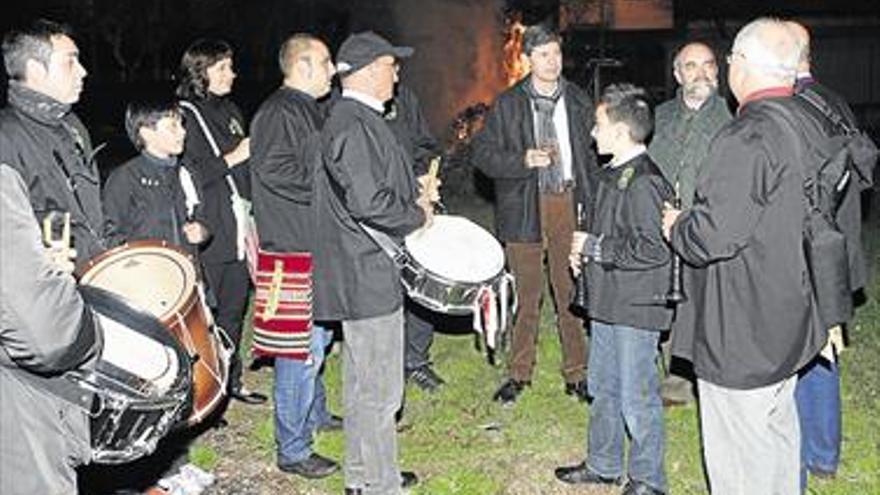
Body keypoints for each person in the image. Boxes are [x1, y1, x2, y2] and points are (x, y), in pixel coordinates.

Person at [662, 17, 826, 495]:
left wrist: (678, 226)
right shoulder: (804, 119)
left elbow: (713, 236)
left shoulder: (745, 136)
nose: (726, 66)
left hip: (744, 327)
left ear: (746, 66)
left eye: (729, 57)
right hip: (789, 312)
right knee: (777, 431)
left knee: (740, 452)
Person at [312, 31, 433, 495]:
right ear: (364, 72)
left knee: (365, 385)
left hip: (364, 270)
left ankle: (362, 476)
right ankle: (381, 484)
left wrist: (413, 194)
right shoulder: (352, 123)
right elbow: (368, 202)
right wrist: (417, 214)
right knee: (381, 391)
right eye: (390, 65)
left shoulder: (357, 118)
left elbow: (372, 190)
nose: (397, 73)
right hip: (366, 273)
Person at [0, 19, 103, 495]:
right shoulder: (7, 138)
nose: (83, 71)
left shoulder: (71, 127)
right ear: (35, 70)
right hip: (34, 315)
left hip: (78, 293)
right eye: (70, 60)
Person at [555, 84, 673, 495]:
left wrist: (595, 247)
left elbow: (654, 251)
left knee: (636, 396)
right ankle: (604, 464)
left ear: (621, 132)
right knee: (603, 386)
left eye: (599, 124)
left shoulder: (644, 182)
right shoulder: (612, 175)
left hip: (636, 306)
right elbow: (607, 234)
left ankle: (648, 480)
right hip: (608, 300)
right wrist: (584, 256)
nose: (592, 132)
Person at [472, 25, 597, 405]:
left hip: (567, 201)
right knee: (527, 297)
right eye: (544, 55)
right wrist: (522, 160)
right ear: (527, 59)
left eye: (556, 53)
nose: (552, 61)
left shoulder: (577, 99)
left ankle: (578, 373)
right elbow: (483, 156)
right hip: (525, 204)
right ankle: (519, 373)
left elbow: (594, 154)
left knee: (570, 293)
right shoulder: (508, 104)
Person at [786, 19, 875, 488]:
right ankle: (823, 452)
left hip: (812, 250)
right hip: (837, 248)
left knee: (808, 348)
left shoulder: (794, 107)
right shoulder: (833, 100)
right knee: (826, 346)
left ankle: (810, 449)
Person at [249, 33, 340, 479]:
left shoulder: (309, 109)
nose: (333, 70)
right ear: (302, 66)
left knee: (318, 341)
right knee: (297, 352)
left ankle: (315, 414)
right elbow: (273, 170)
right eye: (326, 62)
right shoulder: (279, 112)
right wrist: (333, 190)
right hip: (292, 250)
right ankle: (293, 448)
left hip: (314, 245)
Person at [176, 39, 265, 406]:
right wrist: (234, 156)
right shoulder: (184, 113)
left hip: (237, 221)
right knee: (205, 312)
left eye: (231, 66)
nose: (232, 73)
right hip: (209, 225)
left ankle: (230, 381)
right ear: (201, 70)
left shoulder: (229, 109)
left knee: (234, 307)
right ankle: (201, 389)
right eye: (223, 67)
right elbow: (188, 172)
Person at [647, 41, 732, 407]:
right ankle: (674, 372)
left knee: (703, 301)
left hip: (705, 225)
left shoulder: (734, 118)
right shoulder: (661, 115)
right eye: (691, 66)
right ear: (678, 74)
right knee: (668, 295)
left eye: (708, 65)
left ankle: (700, 374)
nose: (701, 73)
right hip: (661, 221)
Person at [384, 83, 446, 392]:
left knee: (421, 279)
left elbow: (424, 143)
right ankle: (386, 361)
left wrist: (424, 175)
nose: (395, 74)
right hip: (378, 208)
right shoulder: (347, 105)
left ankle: (416, 360)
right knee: (385, 286)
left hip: (414, 203)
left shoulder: (405, 96)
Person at [103, 99, 209, 249]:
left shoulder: (187, 172)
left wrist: (202, 232)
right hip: (146, 270)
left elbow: (203, 218)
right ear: (146, 133)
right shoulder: (125, 178)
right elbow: (108, 235)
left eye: (181, 124)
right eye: (173, 126)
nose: (183, 131)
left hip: (185, 268)